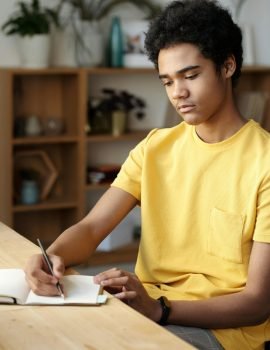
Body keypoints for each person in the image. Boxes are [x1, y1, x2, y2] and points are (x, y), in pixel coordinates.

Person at [25, 0, 270, 349]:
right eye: (167, 81)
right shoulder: (155, 147)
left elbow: (257, 303)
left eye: (191, 75)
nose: (178, 93)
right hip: (143, 308)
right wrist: (51, 258)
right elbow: (92, 228)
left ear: (228, 65)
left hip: (220, 330)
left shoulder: (264, 163)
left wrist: (160, 310)